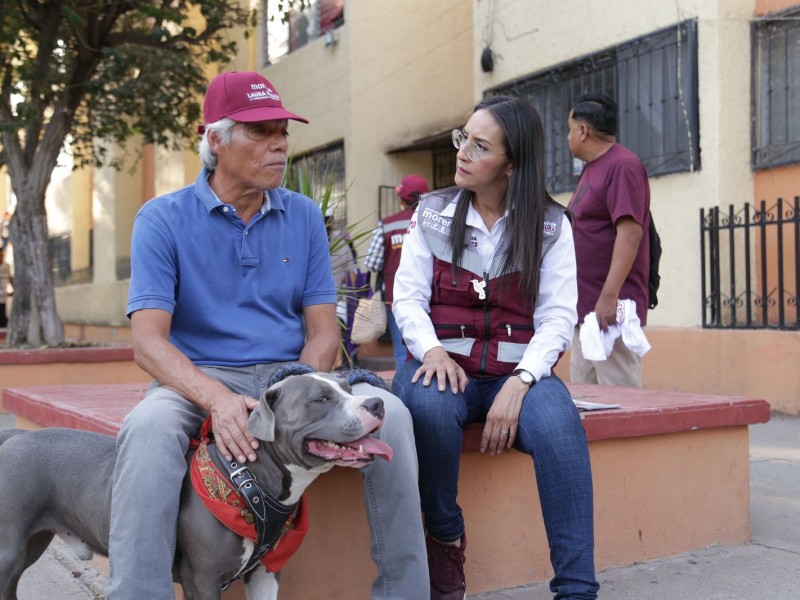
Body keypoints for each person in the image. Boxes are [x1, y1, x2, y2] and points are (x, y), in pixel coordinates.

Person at [112, 70, 429, 600]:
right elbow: (148, 342)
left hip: (293, 379)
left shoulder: (304, 216)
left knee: (391, 415)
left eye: (282, 130)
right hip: (200, 380)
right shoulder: (161, 219)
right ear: (215, 139)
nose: (279, 143)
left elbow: (323, 332)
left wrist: (303, 394)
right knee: (147, 429)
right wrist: (218, 400)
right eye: (260, 132)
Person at [391, 95, 598, 600]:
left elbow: (556, 318)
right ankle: (445, 533)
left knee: (559, 427)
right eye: (463, 138)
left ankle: (577, 590)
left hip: (519, 372)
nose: (461, 152)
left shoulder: (552, 225)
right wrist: (432, 351)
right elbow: (408, 298)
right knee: (427, 408)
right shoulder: (433, 213)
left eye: (479, 146)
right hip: (446, 368)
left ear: (512, 164)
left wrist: (523, 381)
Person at [566, 93, 651, 388]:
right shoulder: (593, 169)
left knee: (620, 404)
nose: (568, 137)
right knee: (585, 404)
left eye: (569, 128)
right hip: (587, 312)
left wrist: (608, 297)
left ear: (583, 131)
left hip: (610, 313)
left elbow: (630, 234)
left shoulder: (622, 166)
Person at [364, 174, 429, 368]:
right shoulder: (435, 223)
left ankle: (404, 395)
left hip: (396, 297)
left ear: (401, 200)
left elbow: (372, 263)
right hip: (431, 298)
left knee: (402, 352)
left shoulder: (387, 224)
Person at [0, 247, 12, 328]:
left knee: (2, 313)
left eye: (1, 255)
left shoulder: (6, 266)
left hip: (3, 295)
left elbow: (10, 278)